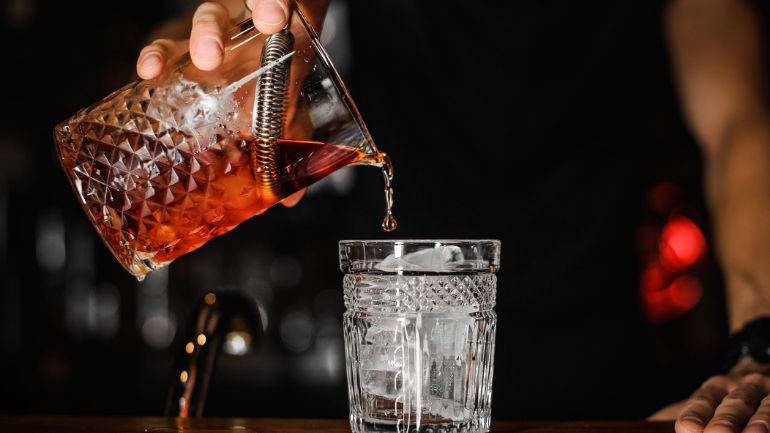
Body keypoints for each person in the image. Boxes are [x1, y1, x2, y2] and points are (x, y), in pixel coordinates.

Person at [136, 1, 770, 431]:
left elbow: (743, 129)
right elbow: (279, 19)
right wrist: (217, 62)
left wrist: (757, 346)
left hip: (596, 376)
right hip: (393, 388)